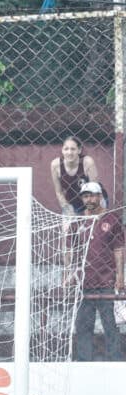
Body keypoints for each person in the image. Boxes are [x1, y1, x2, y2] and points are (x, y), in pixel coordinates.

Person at [68, 182, 124, 361]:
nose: (89, 199)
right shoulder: (77, 222)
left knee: (111, 324)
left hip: (107, 281)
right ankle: (85, 361)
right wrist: (69, 273)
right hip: (84, 283)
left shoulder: (112, 219)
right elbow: (71, 250)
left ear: (100, 196)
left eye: (92, 195)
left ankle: (115, 360)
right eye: (85, 196)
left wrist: (120, 276)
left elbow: (119, 249)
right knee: (83, 325)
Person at [49, 135, 100, 215]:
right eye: (66, 149)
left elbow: (95, 190)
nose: (69, 152)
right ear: (62, 150)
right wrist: (66, 207)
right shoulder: (55, 165)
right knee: (67, 227)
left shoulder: (88, 162)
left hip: (93, 201)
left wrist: (90, 209)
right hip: (71, 204)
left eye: (73, 149)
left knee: (91, 225)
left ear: (79, 150)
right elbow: (59, 192)